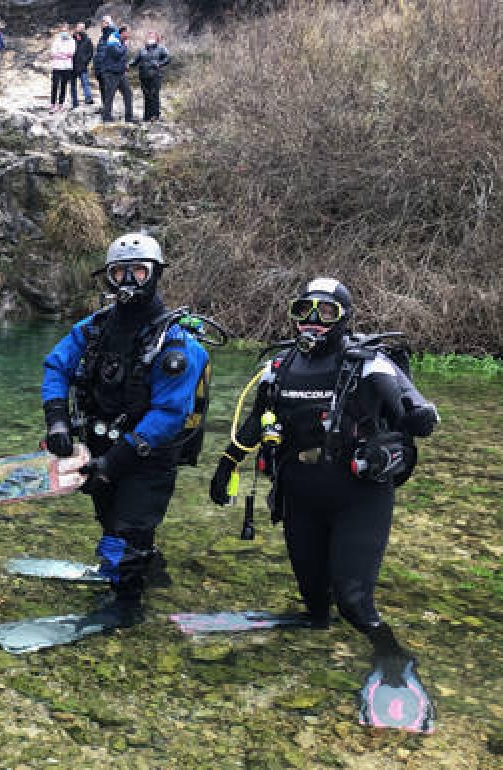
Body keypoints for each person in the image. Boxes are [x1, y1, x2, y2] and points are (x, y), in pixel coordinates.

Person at [209, 278, 440, 707]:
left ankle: (393, 655)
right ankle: (315, 624)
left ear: (343, 319)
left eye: (326, 313)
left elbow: (412, 405)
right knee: (315, 600)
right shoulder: (278, 368)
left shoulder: (368, 364)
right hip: (300, 496)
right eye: (304, 311)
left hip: (359, 498)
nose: (312, 323)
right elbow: (253, 424)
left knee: (352, 601)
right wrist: (226, 465)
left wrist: (419, 416)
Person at [41, 233, 209, 627]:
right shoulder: (95, 327)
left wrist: (113, 462)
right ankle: (147, 567)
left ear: (155, 275)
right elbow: (57, 365)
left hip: (147, 454)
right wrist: (58, 419)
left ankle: (127, 605)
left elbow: (169, 413)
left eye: (138, 271)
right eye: (120, 273)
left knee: (126, 528)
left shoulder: (177, 343)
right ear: (108, 278)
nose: (129, 281)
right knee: (108, 519)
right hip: (101, 446)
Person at [99, 24, 136, 123]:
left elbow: (120, 58)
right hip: (110, 73)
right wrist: (125, 46)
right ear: (122, 32)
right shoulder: (112, 42)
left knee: (128, 93)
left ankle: (129, 117)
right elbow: (117, 54)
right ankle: (106, 117)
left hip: (120, 73)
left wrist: (125, 66)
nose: (129, 34)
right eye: (128, 32)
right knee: (110, 95)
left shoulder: (120, 41)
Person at [132, 32, 171, 121]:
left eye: (152, 36)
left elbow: (168, 58)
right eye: (149, 36)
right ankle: (146, 116)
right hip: (143, 76)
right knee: (146, 95)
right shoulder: (142, 50)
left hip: (156, 76)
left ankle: (155, 115)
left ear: (157, 38)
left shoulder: (161, 48)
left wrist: (159, 64)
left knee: (154, 95)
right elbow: (135, 61)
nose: (150, 38)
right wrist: (127, 64)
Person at [49, 23, 76, 113]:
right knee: (55, 85)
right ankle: (52, 104)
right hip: (56, 66)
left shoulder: (72, 41)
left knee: (63, 86)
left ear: (68, 31)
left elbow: (71, 53)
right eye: (62, 30)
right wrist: (63, 55)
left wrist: (60, 54)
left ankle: (61, 104)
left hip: (67, 67)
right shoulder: (56, 40)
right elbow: (53, 53)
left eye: (65, 30)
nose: (64, 32)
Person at [92, 16, 116, 114]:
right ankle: (105, 106)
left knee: (107, 88)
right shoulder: (102, 37)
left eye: (104, 22)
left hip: (107, 67)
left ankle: (108, 109)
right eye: (102, 22)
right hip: (100, 66)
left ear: (108, 23)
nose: (102, 24)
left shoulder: (113, 35)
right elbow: (99, 51)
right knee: (102, 87)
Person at [70, 21, 95, 108]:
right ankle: (74, 102)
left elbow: (90, 52)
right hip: (72, 65)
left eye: (83, 28)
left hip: (82, 65)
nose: (81, 29)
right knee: (73, 85)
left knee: (85, 83)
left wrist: (85, 61)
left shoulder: (87, 40)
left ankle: (88, 98)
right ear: (76, 28)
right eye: (80, 27)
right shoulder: (71, 39)